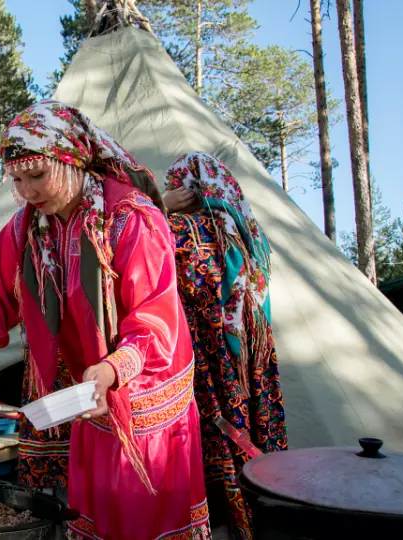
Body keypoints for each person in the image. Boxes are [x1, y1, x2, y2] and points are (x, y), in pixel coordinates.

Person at [0, 100, 209, 540]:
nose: (29, 191)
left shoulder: (130, 219)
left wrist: (112, 369)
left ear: (72, 159)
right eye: (17, 179)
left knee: (142, 514)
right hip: (93, 391)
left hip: (145, 389)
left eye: (38, 175)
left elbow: (154, 316)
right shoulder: (26, 230)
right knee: (96, 512)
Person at [163, 153, 287, 539]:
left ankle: (224, 522)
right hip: (252, 364)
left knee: (217, 449)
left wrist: (158, 205)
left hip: (208, 362)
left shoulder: (183, 230)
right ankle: (259, 519)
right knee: (251, 441)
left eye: (173, 186)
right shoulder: (247, 234)